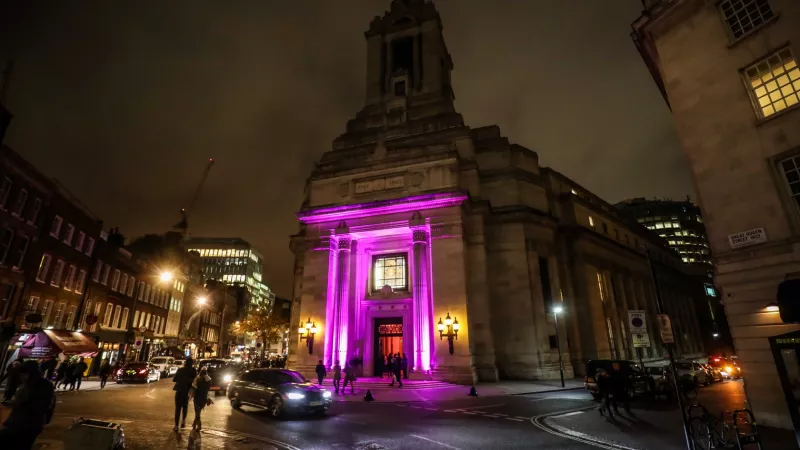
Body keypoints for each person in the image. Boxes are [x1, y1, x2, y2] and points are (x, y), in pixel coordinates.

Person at [0, 360, 55, 449]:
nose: (21, 376)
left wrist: (22, 405)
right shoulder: (25, 385)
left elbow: (44, 406)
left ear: (31, 373)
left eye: (23, 374)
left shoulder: (43, 385)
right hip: (15, 424)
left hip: (27, 425)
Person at [172, 358, 196, 431]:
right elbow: (195, 380)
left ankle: (176, 425)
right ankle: (183, 421)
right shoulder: (193, 370)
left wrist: (181, 379)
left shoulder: (180, 370)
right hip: (187, 391)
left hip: (179, 390)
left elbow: (174, 379)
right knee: (185, 406)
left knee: (178, 408)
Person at [190, 367, 212, 431]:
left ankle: (199, 426)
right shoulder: (209, 380)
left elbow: (194, 387)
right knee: (198, 412)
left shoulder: (198, 379)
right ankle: (194, 424)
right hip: (204, 398)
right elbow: (208, 388)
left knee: (197, 413)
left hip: (197, 398)